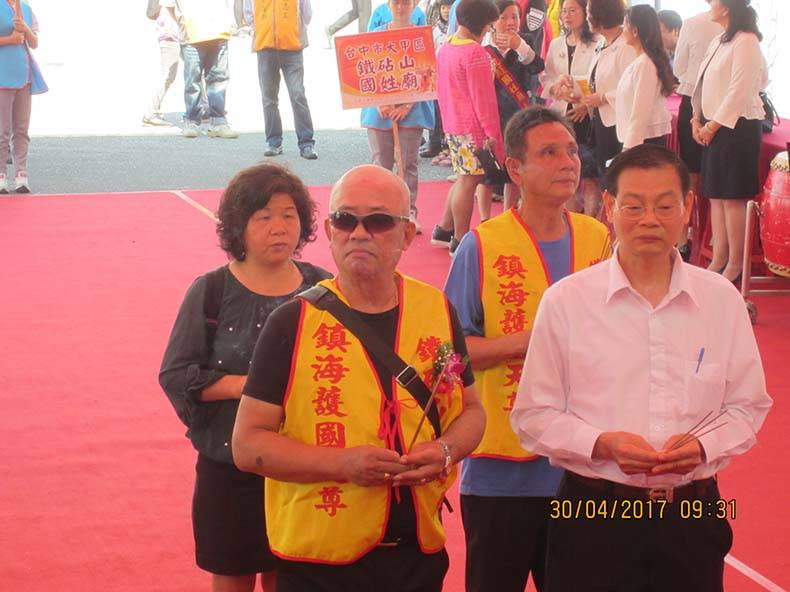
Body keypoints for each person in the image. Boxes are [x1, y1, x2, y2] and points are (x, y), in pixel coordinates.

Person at [511, 143, 772, 591]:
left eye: (665, 206)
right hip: (594, 511)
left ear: (688, 207)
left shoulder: (720, 300)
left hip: (692, 510)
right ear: (609, 206)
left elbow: (747, 405)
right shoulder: (567, 301)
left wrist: (705, 446)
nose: (649, 219)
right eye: (633, 206)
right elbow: (533, 415)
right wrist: (601, 444)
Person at [232, 165, 486, 592]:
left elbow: (473, 410)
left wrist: (446, 451)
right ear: (329, 232)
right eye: (345, 220)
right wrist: (343, 465)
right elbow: (247, 444)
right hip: (319, 561)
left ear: (407, 234)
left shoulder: (436, 310)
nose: (359, 234)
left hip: (416, 553)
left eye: (379, 221)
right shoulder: (291, 323)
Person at [444, 106, 610, 592]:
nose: (568, 162)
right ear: (515, 168)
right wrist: (530, 341)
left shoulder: (598, 237)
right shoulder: (481, 246)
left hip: (584, 464)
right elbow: (448, 354)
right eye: (550, 152)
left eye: (572, 151)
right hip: (502, 468)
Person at [159, 163, 331, 592]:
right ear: (239, 227)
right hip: (230, 463)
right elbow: (177, 374)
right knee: (233, 574)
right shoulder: (212, 291)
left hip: (303, 462)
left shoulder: (324, 289)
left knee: (291, 576)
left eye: (289, 215)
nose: (279, 228)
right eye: (264, 217)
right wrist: (253, 388)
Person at [691, 0, 767, 284]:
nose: (709, 4)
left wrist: (712, 125)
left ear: (727, 7)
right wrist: (696, 119)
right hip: (713, 125)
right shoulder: (720, 39)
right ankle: (719, 257)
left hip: (737, 127)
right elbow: (702, 82)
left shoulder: (746, 40)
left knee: (733, 197)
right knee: (716, 195)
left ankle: (736, 263)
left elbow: (740, 89)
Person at [432, 0, 502, 255]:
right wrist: (492, 133)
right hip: (473, 129)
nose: (489, 30)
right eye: (489, 25)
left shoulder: (447, 46)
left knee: (463, 178)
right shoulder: (475, 53)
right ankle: (460, 239)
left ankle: (444, 229)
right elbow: (483, 100)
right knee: (469, 181)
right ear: (480, 23)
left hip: (453, 123)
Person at [361, 0, 435, 235]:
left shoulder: (422, 37)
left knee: (408, 163)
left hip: (413, 110)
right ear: (389, 5)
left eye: (406, 2)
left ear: (414, 5)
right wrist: (378, 101)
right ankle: (379, 211)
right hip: (379, 110)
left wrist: (408, 104)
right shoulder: (374, 35)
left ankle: (408, 211)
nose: (400, 7)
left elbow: (429, 73)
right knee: (381, 164)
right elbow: (364, 70)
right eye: (396, 2)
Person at [475, 0, 544, 220]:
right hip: (489, 117)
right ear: (492, 21)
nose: (510, 22)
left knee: (514, 169)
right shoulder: (482, 47)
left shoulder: (525, 42)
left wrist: (519, 46)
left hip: (517, 117)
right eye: (503, 17)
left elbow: (537, 67)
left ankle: (509, 216)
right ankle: (485, 219)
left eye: (514, 17)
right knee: (486, 172)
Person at [673, 0, 721, 262]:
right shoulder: (743, 27)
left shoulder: (693, 23)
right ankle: (714, 239)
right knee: (717, 178)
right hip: (721, 109)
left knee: (690, 176)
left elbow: (679, 68)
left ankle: (683, 239)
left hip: (693, 100)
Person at [540, 0, 599, 214]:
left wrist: (586, 103)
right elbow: (546, 77)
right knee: (567, 172)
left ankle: (591, 222)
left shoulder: (598, 42)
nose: (567, 15)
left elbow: (601, 79)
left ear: (585, 12)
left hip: (589, 117)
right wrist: (556, 89)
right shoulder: (556, 44)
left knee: (591, 176)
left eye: (573, 11)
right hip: (563, 117)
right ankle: (571, 220)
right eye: (564, 11)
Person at [245, 0, 318, 160]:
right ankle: (273, 142)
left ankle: (306, 143)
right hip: (265, 47)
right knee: (269, 98)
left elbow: (307, 13)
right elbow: (248, 13)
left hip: (292, 47)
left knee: (297, 94)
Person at [161, 0, 239, 139]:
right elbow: (169, 5)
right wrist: (183, 21)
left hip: (219, 33)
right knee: (193, 81)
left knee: (218, 80)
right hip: (192, 35)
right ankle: (192, 121)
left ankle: (218, 123)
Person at [581, 0, 637, 188]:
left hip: (618, 121)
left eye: (589, 12)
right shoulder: (602, 42)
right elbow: (596, 77)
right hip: (601, 118)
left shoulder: (626, 45)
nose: (586, 17)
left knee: (616, 176)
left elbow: (632, 86)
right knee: (604, 174)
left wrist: (604, 97)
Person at [0, 0, 46, 195]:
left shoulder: (26, 8)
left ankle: (21, 175)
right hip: (2, 77)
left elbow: (34, 43)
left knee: (21, 130)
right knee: (2, 130)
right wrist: (10, 39)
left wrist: (25, 28)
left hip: (24, 77)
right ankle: (1, 175)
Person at [615, 5, 673, 150]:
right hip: (641, 138)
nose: (622, 29)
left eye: (625, 24)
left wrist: (629, 148)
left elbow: (640, 112)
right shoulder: (641, 60)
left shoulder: (645, 64)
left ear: (635, 31)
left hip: (644, 140)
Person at [420, 0, 454, 161]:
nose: (446, 11)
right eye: (443, 7)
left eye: (449, 7)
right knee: (434, 110)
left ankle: (448, 146)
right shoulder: (435, 30)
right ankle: (434, 144)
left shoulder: (457, 29)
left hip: (451, 75)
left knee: (448, 111)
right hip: (436, 75)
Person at [143, 3, 180, 127]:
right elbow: (170, 6)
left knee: (198, 70)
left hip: (175, 33)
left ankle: (204, 107)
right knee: (167, 75)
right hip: (172, 34)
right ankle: (150, 113)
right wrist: (184, 25)